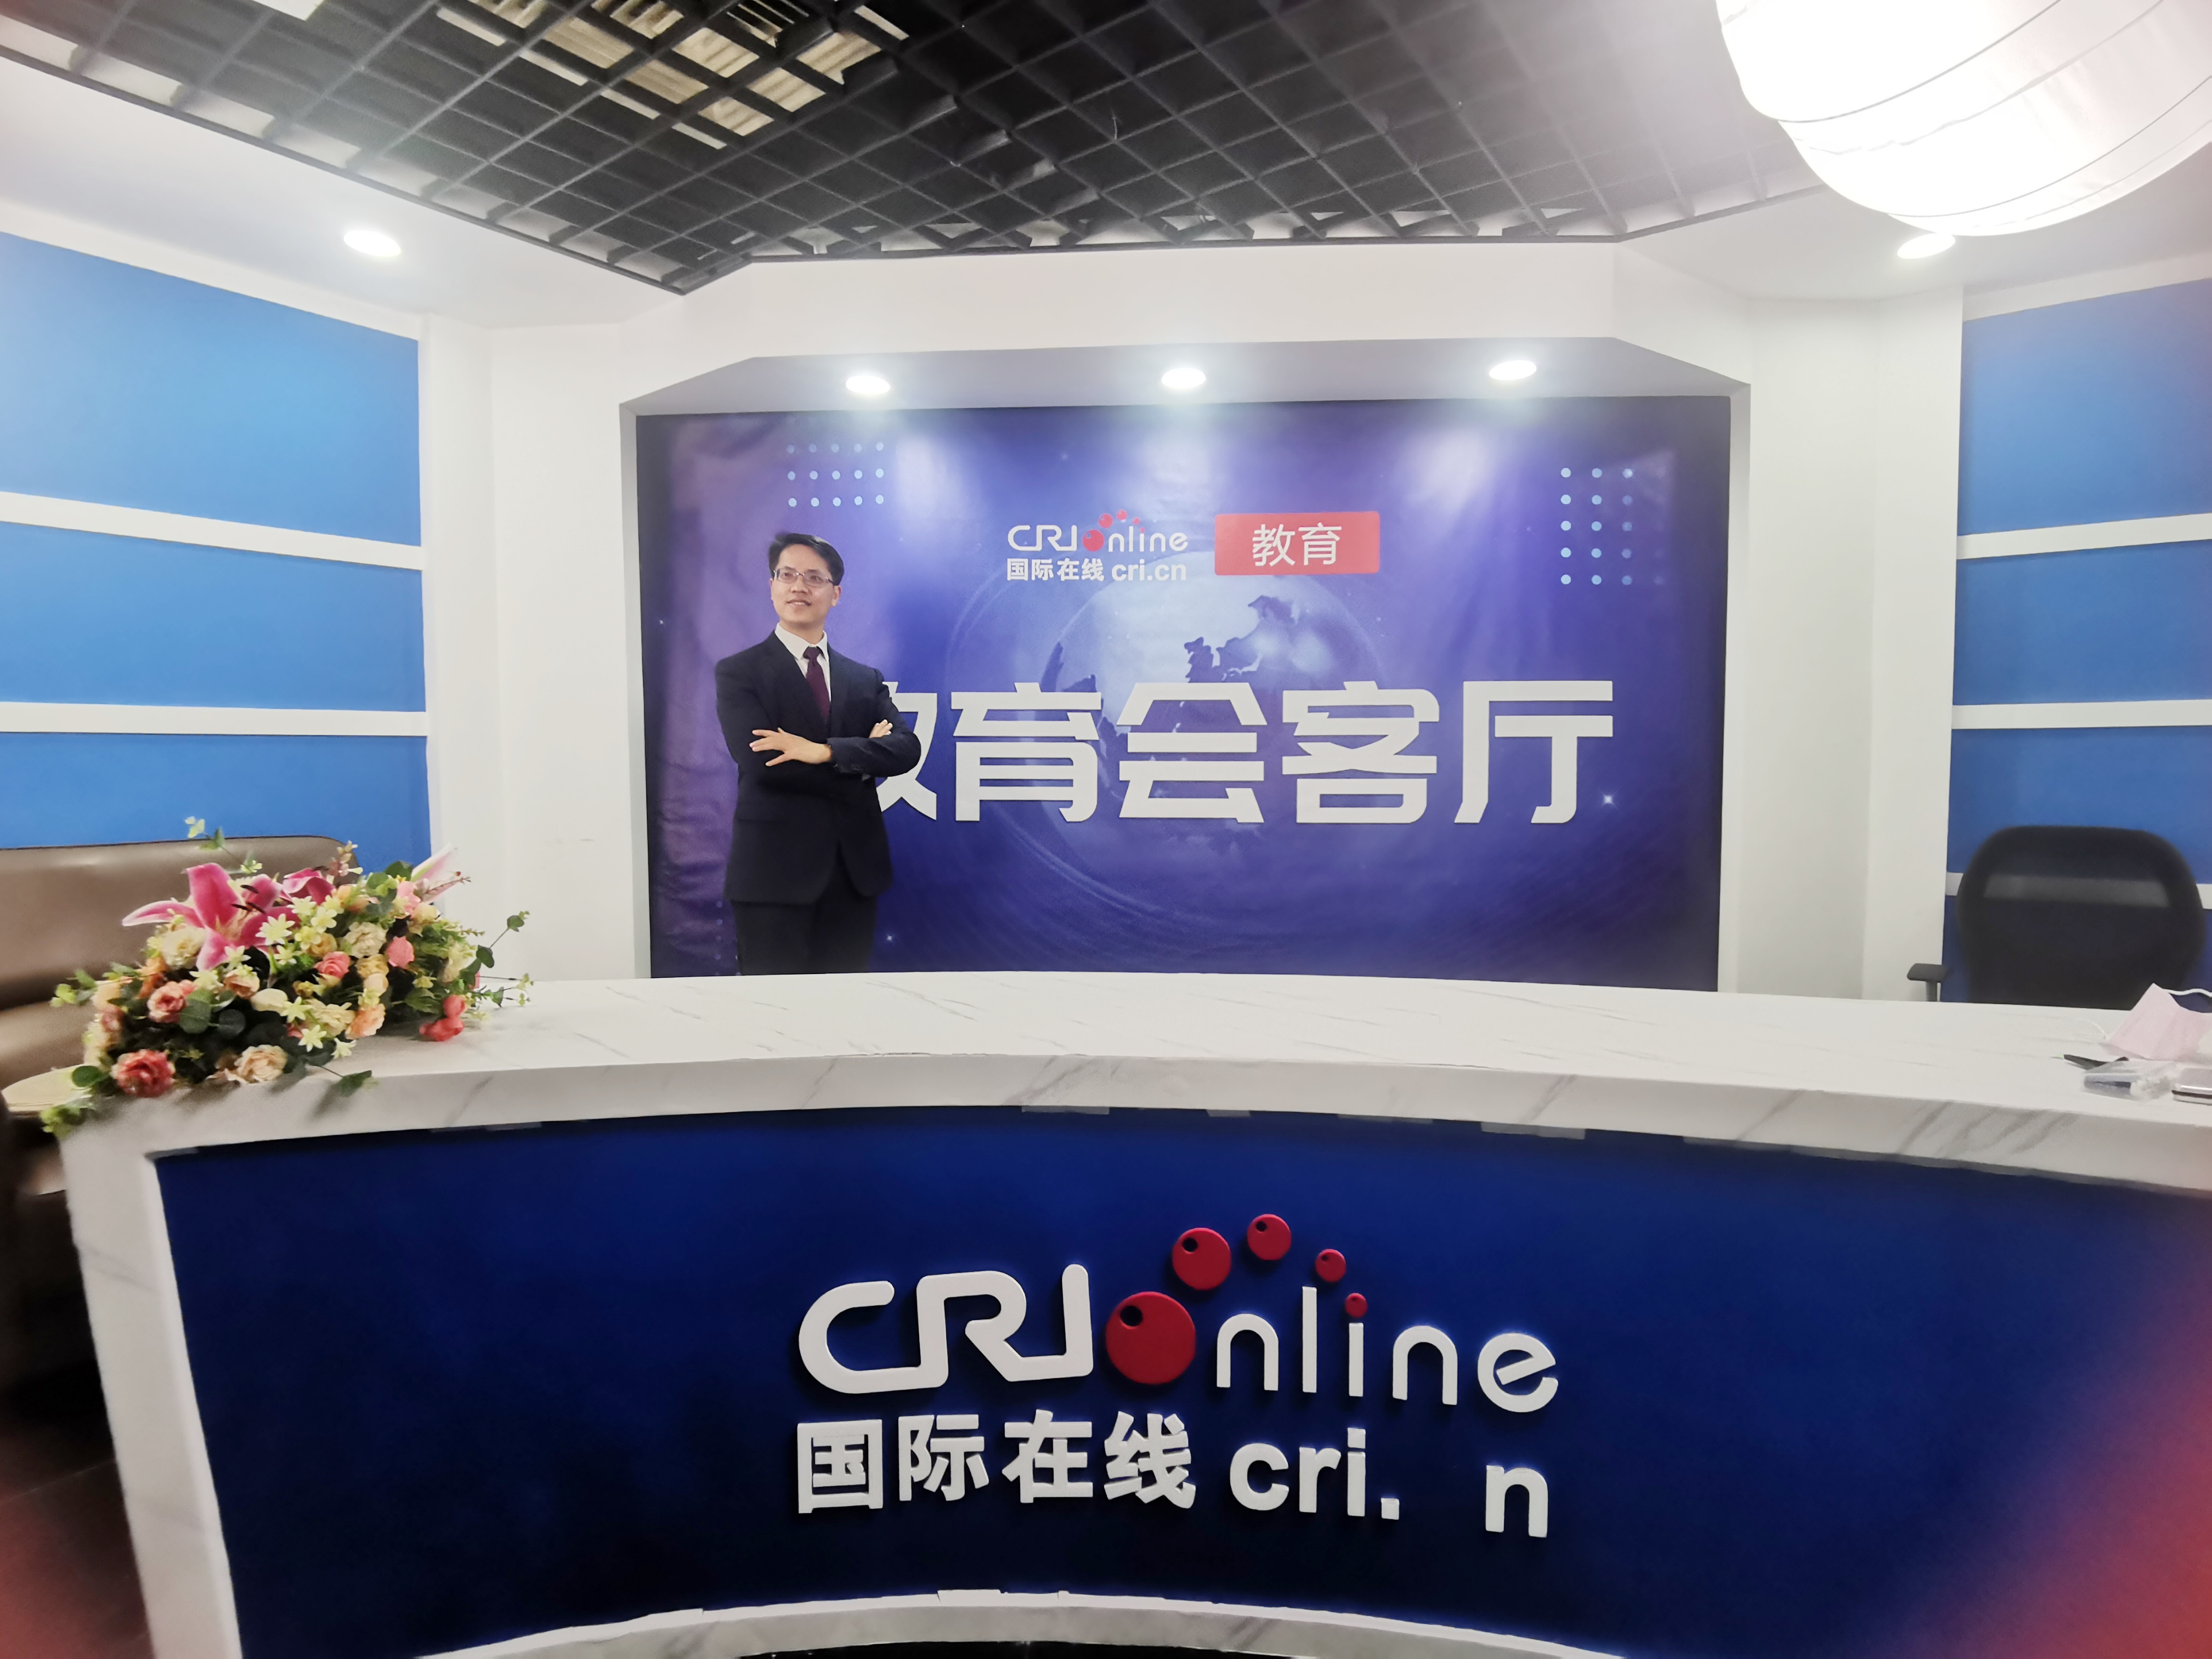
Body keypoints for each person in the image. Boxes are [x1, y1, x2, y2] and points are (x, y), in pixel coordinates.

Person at [714, 532, 922, 973]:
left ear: (835, 594)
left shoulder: (864, 679)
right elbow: (764, 765)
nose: (799, 586)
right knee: (774, 1009)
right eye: (787, 575)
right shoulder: (739, 672)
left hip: (853, 874)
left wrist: (822, 751)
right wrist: (863, 759)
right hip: (772, 877)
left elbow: (906, 750)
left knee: (846, 1007)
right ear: (771, 586)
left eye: (813, 577)